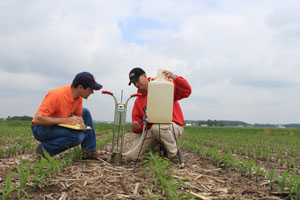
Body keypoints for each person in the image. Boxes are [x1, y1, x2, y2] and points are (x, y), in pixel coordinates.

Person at [126, 67, 192, 164]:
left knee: (158, 128)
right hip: (152, 131)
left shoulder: (164, 86)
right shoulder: (138, 100)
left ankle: (174, 155)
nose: (136, 85)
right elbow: (139, 125)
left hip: (172, 126)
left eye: (137, 81)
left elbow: (186, 91)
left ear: (144, 76)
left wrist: (176, 78)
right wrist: (137, 127)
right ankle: (157, 150)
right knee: (130, 157)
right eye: (133, 83)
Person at [31, 72, 103, 160]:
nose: (92, 92)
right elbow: (38, 119)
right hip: (41, 128)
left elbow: (79, 115)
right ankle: (44, 150)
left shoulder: (78, 97)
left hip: (57, 124)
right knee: (77, 137)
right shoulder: (56, 95)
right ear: (80, 87)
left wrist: (80, 123)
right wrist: (66, 120)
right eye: (90, 89)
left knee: (86, 112)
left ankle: (89, 151)